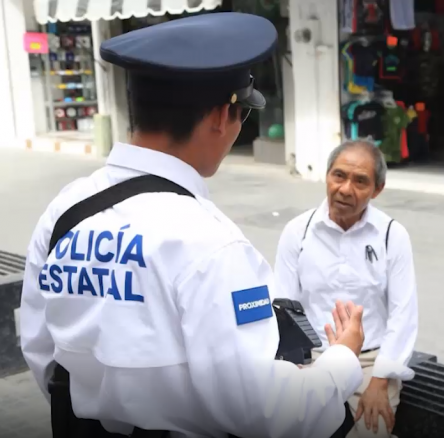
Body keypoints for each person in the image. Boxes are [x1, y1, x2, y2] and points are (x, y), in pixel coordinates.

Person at [19, 13, 366, 438]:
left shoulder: (64, 211)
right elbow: (267, 412)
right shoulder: (212, 245)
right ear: (223, 116)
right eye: (244, 116)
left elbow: (41, 354)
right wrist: (344, 360)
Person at [273, 139, 419, 438]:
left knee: (373, 430)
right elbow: (283, 304)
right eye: (339, 175)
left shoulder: (392, 235)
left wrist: (381, 379)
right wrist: (294, 365)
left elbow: (403, 312)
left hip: (369, 360)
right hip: (312, 356)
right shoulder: (297, 231)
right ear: (327, 175)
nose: (345, 189)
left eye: (360, 181)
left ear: (377, 189)